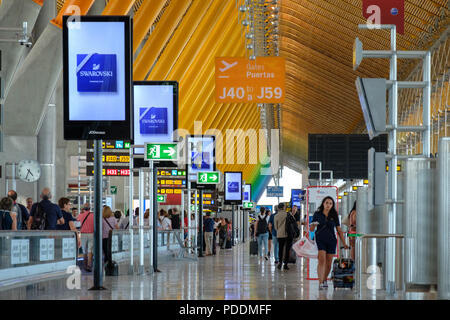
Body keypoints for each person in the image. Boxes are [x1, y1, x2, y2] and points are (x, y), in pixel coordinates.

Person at [310, 196, 349, 290]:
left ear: (332, 205)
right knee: (322, 260)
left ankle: (324, 279)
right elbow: (311, 229)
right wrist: (313, 225)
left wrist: (344, 243)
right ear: (323, 203)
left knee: (328, 263)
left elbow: (339, 230)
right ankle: (320, 283)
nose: (328, 205)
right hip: (320, 239)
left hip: (331, 240)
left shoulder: (334, 215)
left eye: (330, 203)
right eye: (327, 203)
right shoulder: (317, 214)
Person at [274, 202, 292, 270]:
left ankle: (280, 262)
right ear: (284, 207)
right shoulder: (288, 214)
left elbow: (276, 227)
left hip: (280, 234)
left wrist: (279, 230)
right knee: (287, 250)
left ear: (278, 208)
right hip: (288, 234)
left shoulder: (276, 216)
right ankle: (286, 265)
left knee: (280, 249)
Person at [77, 204, 94, 272]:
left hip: (83, 234)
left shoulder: (80, 216)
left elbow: (77, 225)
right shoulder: (93, 215)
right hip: (92, 234)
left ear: (83, 209)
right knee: (90, 250)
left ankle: (84, 265)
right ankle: (89, 265)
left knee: (84, 250)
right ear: (90, 208)